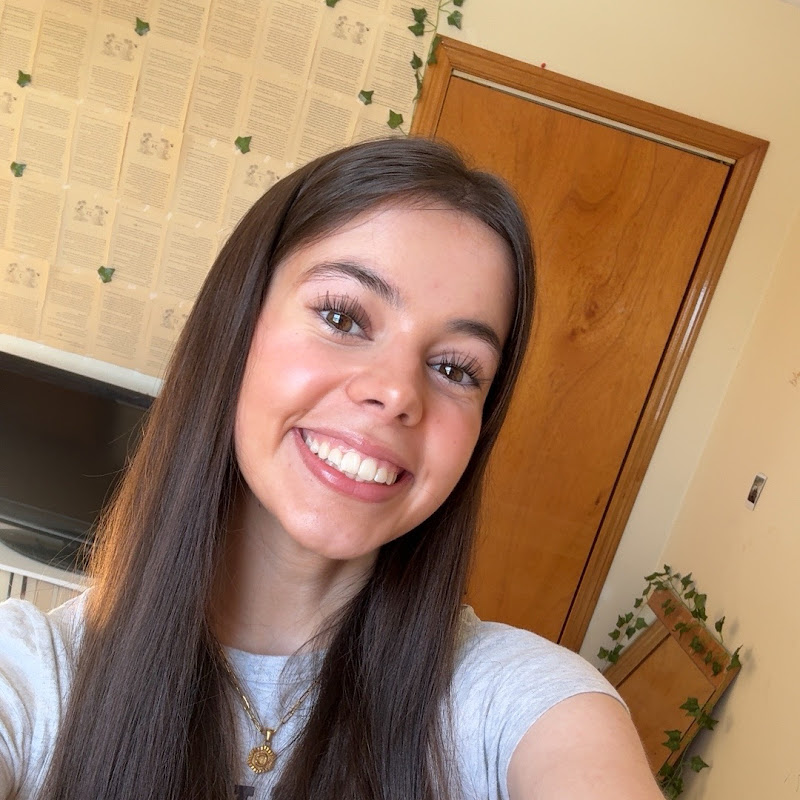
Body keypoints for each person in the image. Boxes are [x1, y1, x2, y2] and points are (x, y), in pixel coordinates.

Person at [0, 137, 662, 800]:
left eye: (455, 368)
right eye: (343, 317)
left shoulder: (519, 700)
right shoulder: (32, 673)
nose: (397, 392)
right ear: (236, 325)